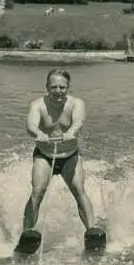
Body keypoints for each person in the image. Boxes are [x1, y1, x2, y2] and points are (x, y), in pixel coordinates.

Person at [22, 68, 97, 234]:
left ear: (68, 87)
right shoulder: (37, 105)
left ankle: (92, 231)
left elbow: (78, 122)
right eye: (54, 87)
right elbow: (31, 125)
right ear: (47, 87)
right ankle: (27, 233)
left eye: (62, 87)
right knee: (38, 191)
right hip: (44, 156)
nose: (58, 91)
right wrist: (39, 134)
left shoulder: (77, 104)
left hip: (70, 156)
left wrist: (71, 132)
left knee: (78, 189)